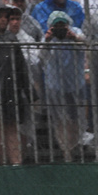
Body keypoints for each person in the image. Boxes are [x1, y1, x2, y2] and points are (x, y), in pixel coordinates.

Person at [0, 5, 32, 165]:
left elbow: (21, 66)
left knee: (11, 126)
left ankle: (16, 164)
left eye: (5, 17)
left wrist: (30, 93)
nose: (3, 20)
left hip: (11, 89)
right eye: (0, 16)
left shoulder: (11, 38)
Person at [40, 10, 89, 161]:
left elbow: (87, 44)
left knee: (74, 118)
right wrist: (47, 41)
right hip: (56, 85)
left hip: (75, 84)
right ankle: (65, 150)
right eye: (57, 26)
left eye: (63, 25)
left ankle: (75, 145)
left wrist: (74, 38)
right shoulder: (48, 37)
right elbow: (41, 57)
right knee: (60, 119)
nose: (60, 29)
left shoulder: (75, 33)